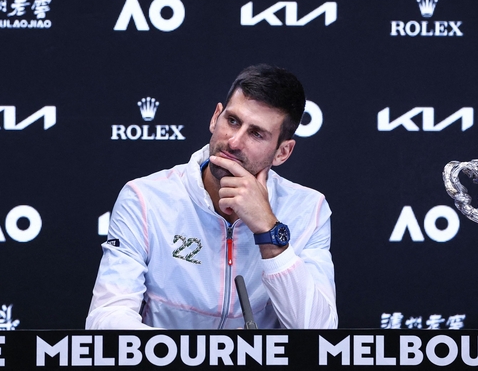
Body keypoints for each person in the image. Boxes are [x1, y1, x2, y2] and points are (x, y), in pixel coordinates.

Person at [85, 64, 337, 329]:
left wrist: (269, 231)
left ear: (282, 152)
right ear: (216, 117)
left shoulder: (309, 210)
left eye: (256, 134)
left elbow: (318, 334)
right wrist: (188, 359)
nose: (234, 142)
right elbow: (107, 317)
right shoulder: (144, 198)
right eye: (232, 121)